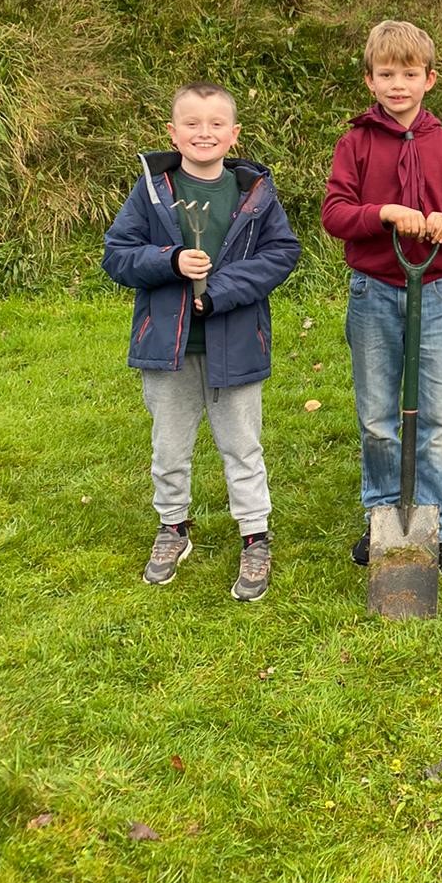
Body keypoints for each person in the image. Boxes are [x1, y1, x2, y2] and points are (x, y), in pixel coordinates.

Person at [102, 81, 301, 601]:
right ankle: (173, 526)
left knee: (242, 446)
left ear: (234, 134)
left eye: (216, 124)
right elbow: (117, 254)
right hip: (168, 348)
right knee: (169, 447)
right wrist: (169, 262)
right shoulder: (152, 192)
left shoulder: (254, 193)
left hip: (236, 343)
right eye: (191, 123)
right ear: (173, 132)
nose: (204, 133)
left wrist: (219, 292)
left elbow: (281, 254)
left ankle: (255, 535)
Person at [321, 20, 442, 581]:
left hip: (433, 293)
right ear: (370, 80)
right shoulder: (356, 143)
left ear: (429, 79)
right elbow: (335, 215)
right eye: (386, 74)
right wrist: (385, 212)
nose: (398, 84)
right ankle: (382, 516)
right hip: (374, 293)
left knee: (439, 415)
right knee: (377, 416)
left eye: (409, 74)